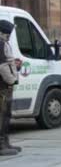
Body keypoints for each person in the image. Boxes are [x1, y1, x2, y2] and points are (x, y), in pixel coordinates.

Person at [0, 20, 21, 155]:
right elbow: (2, 66)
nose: (10, 34)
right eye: (9, 31)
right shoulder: (0, 43)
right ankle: (2, 146)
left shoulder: (3, 43)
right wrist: (12, 80)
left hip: (5, 85)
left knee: (6, 114)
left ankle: (6, 142)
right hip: (3, 85)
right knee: (2, 115)